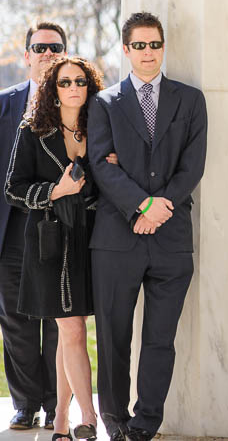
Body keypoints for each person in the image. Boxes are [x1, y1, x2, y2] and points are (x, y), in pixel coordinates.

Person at [87, 12, 208, 441]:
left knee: (160, 340)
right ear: (126, 50)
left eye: (154, 44)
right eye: (139, 45)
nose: (148, 52)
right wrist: (141, 205)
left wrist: (160, 206)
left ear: (163, 47)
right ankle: (115, 422)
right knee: (114, 336)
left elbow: (192, 166)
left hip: (172, 239)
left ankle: (144, 426)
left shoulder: (190, 100)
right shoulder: (103, 103)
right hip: (116, 238)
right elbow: (101, 164)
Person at [5, 56, 104, 441]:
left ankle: (61, 417)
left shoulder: (100, 128)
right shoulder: (33, 129)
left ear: (90, 86)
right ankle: (89, 417)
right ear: (53, 88)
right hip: (48, 245)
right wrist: (55, 191)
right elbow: (13, 188)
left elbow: (106, 184)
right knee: (74, 329)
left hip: (89, 239)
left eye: (80, 81)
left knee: (68, 335)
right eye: (64, 82)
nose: (73, 88)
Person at [0, 22, 64, 431]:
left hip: (61, 229)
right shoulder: (4, 105)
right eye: (39, 47)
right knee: (17, 324)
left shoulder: (80, 100)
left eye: (55, 46)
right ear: (26, 55)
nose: (47, 53)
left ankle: (58, 405)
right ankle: (25, 405)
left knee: (60, 323)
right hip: (11, 232)